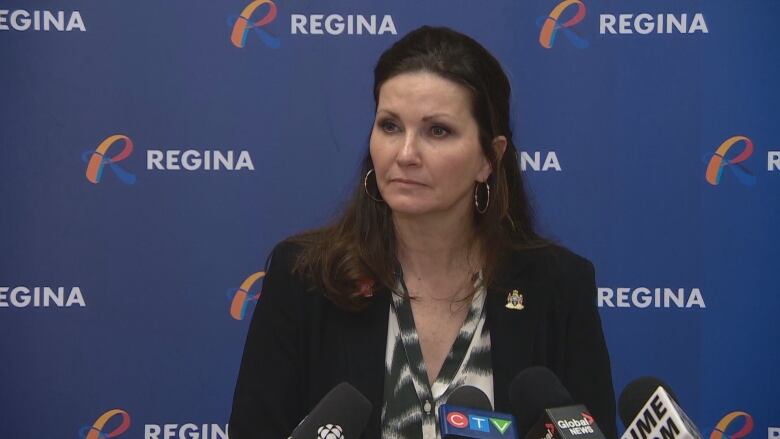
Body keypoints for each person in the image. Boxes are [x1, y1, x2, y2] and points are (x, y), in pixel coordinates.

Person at [229, 26, 616, 439]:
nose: (406, 154)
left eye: (437, 131)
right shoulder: (305, 278)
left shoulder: (557, 288)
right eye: (390, 126)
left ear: (490, 157)